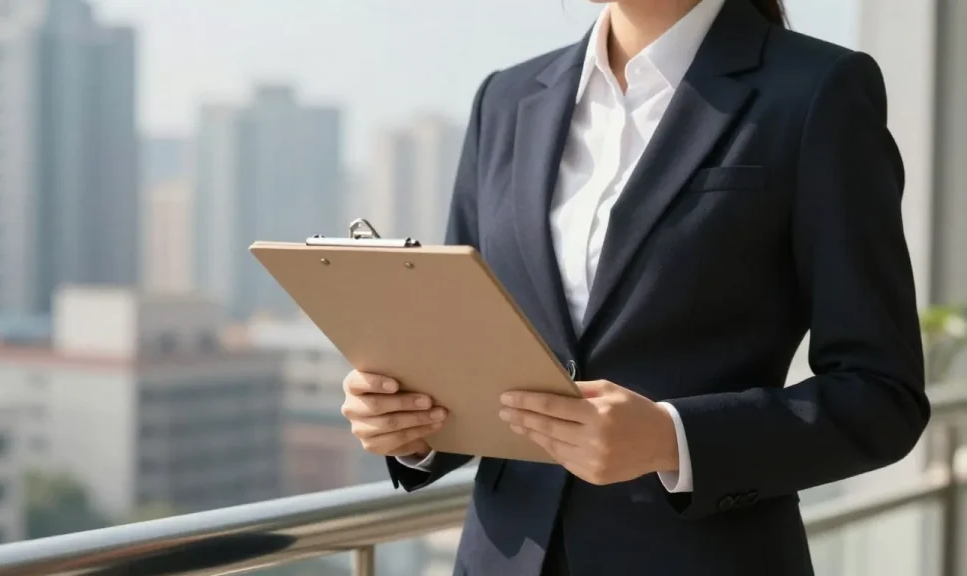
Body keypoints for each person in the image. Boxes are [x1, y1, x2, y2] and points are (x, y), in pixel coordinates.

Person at [339, 0, 931, 574]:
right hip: (500, 557)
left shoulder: (817, 91)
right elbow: (471, 350)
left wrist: (671, 440)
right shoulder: (506, 99)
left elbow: (882, 397)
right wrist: (409, 422)